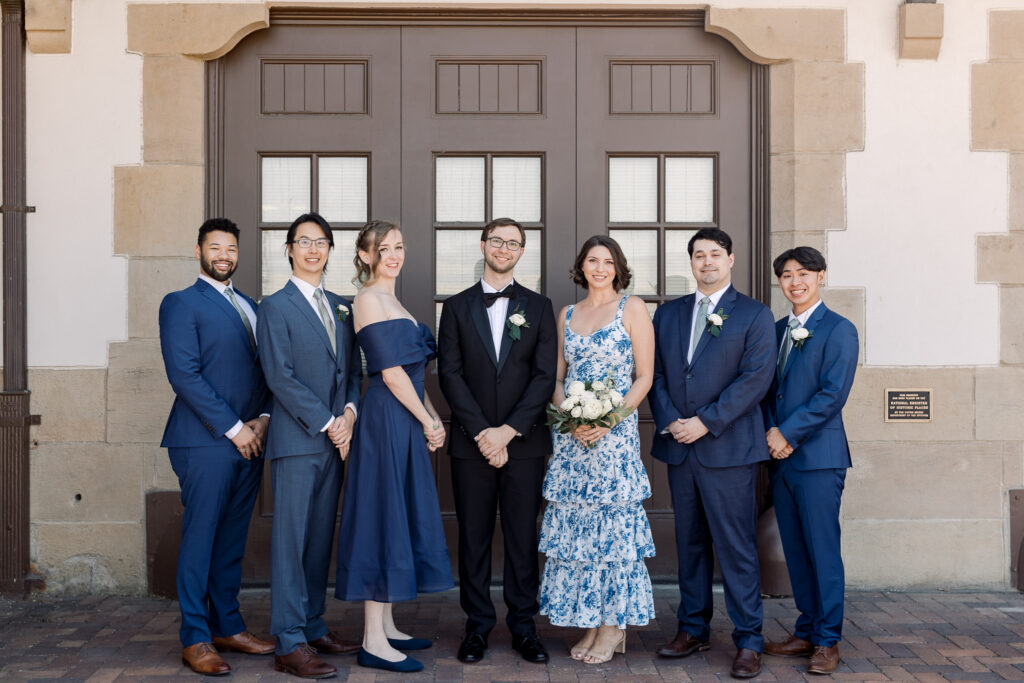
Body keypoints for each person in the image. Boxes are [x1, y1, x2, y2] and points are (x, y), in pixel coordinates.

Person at [649, 227, 776, 679]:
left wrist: (704, 422)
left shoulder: (755, 315)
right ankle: (692, 627)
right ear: (691, 263)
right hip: (680, 448)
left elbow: (755, 380)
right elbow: (656, 373)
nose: (707, 262)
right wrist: (670, 421)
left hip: (729, 449)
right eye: (699, 255)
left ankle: (749, 640)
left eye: (715, 254)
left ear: (731, 259)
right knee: (690, 545)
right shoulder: (668, 315)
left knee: (736, 547)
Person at [334, 220, 454, 673]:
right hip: (386, 419)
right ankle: (372, 641)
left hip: (406, 417)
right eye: (384, 248)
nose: (394, 255)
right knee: (381, 518)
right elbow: (389, 374)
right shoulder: (367, 299)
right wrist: (426, 418)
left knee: (398, 514)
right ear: (365, 256)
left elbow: (412, 374)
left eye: (400, 246)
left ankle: (386, 626)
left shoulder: (394, 300)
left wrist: (432, 420)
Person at [437, 218, 557, 665]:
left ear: (522, 251)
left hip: (524, 444)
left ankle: (525, 627)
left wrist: (509, 431)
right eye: (497, 241)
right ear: (483, 245)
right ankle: (477, 627)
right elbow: (449, 374)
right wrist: (483, 432)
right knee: (474, 537)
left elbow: (545, 375)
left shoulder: (540, 307)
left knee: (524, 537)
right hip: (471, 444)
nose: (504, 248)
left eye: (513, 243)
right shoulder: (455, 307)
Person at [159, 217, 275, 676]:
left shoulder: (250, 305)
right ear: (198, 250)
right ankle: (195, 637)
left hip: (251, 440)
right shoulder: (181, 303)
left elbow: (267, 370)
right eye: (214, 247)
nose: (223, 254)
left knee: (230, 541)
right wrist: (234, 428)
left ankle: (228, 624)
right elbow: (184, 374)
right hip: (203, 441)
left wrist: (262, 421)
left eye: (230, 247)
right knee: (201, 539)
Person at [538, 235, 656, 664]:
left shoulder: (633, 308)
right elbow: (556, 378)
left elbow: (644, 376)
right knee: (581, 537)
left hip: (614, 437)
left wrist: (606, 420)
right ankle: (590, 621)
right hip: (571, 440)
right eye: (593, 260)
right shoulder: (567, 313)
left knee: (612, 536)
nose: (600, 268)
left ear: (618, 267)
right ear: (582, 267)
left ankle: (612, 628)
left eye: (608, 261)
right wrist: (569, 418)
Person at [256, 212, 363, 679]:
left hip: (335, 442)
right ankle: (288, 641)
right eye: (304, 241)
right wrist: (326, 421)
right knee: (291, 543)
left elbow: (353, 374)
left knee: (320, 540)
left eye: (321, 242)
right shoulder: (274, 306)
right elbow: (279, 376)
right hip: (298, 442)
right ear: (289, 249)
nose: (313, 249)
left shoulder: (342, 305)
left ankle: (314, 624)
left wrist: (350, 416)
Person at [761, 247, 858, 676]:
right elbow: (764, 390)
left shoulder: (839, 329)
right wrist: (770, 434)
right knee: (797, 551)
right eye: (786, 275)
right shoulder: (777, 329)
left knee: (822, 550)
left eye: (803, 273)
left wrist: (788, 433)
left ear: (820, 277)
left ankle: (827, 640)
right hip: (780, 459)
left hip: (818, 459)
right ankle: (805, 629)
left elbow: (832, 396)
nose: (794, 281)